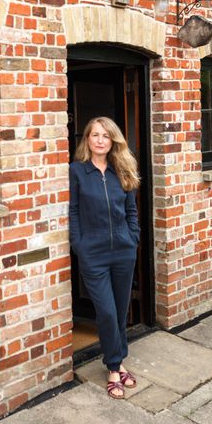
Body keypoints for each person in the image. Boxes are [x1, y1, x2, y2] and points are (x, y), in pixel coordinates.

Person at [69, 116, 141, 399]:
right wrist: (80, 245)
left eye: (105, 136)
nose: (99, 140)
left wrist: (132, 238)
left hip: (123, 252)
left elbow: (132, 211)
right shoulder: (76, 171)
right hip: (94, 254)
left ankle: (118, 361)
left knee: (120, 311)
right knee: (107, 312)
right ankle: (114, 368)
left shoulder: (122, 169)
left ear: (113, 141)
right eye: (94, 135)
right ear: (87, 139)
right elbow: (73, 212)